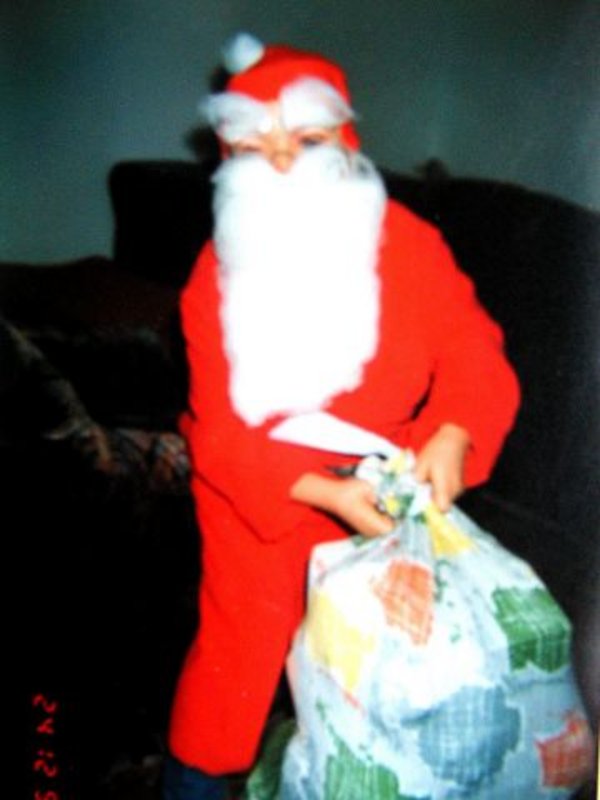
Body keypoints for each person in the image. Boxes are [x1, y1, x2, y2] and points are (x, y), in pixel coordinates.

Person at [162, 34, 520, 799]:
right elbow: (218, 433)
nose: (282, 163)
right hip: (259, 497)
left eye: (307, 141)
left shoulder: (412, 245)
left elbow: (473, 351)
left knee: (373, 681)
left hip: (385, 487)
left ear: (345, 142)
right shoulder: (212, 276)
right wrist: (323, 493)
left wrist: (454, 430)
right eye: (254, 149)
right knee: (229, 680)